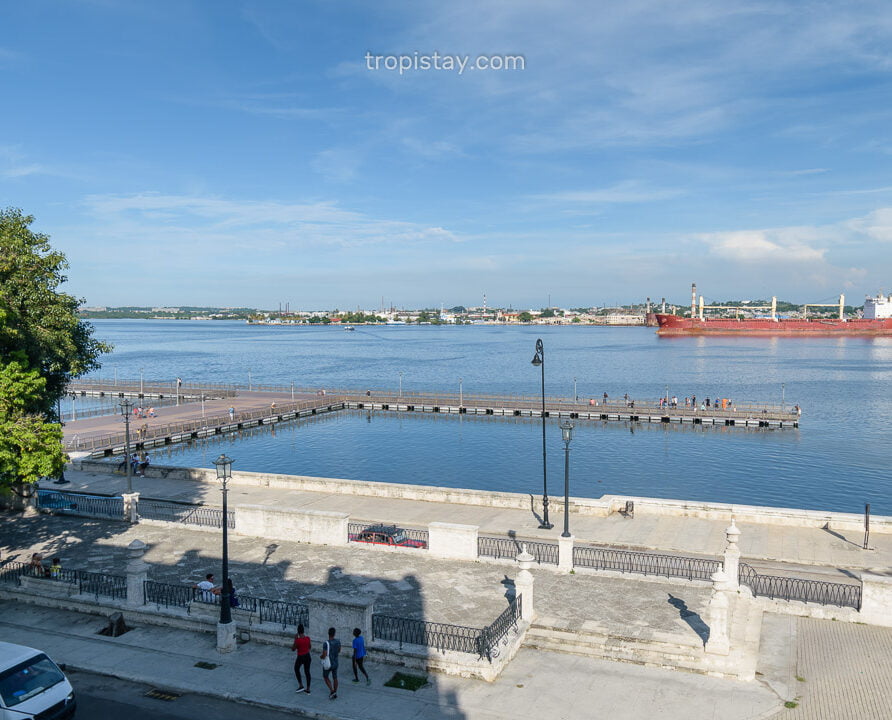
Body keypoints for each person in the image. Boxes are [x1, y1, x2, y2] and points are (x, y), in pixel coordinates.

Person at [321, 627, 341, 700]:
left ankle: (332, 691)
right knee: (335, 677)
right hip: (336, 662)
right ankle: (335, 692)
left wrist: (321, 657)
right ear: (334, 634)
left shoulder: (326, 643)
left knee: (325, 677)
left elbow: (324, 654)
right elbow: (339, 650)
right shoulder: (338, 641)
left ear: (328, 633)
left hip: (328, 663)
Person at [292, 624, 312, 694]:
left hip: (300, 657)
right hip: (307, 656)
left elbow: (293, 649)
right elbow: (310, 647)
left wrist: (295, 639)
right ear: (303, 631)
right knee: (307, 672)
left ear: (298, 631)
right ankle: (308, 689)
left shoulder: (298, 640)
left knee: (296, 669)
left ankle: (301, 685)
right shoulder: (308, 638)